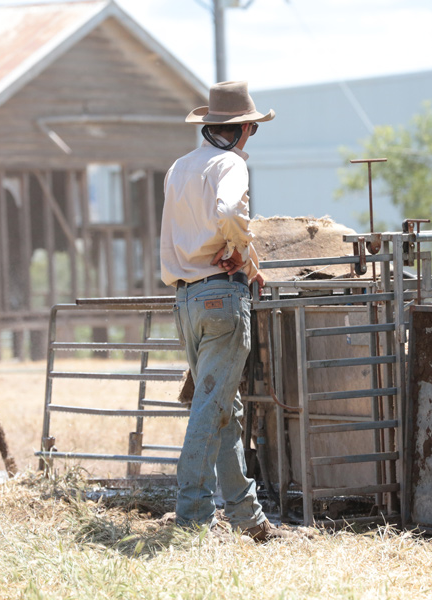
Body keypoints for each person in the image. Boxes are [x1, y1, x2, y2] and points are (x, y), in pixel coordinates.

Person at [160, 81, 285, 542]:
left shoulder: (179, 168)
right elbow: (230, 209)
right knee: (211, 407)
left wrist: (240, 257)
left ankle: (248, 518)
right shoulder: (231, 163)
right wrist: (238, 249)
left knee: (222, 409)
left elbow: (172, 234)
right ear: (245, 128)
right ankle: (192, 518)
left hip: (186, 300)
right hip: (221, 298)